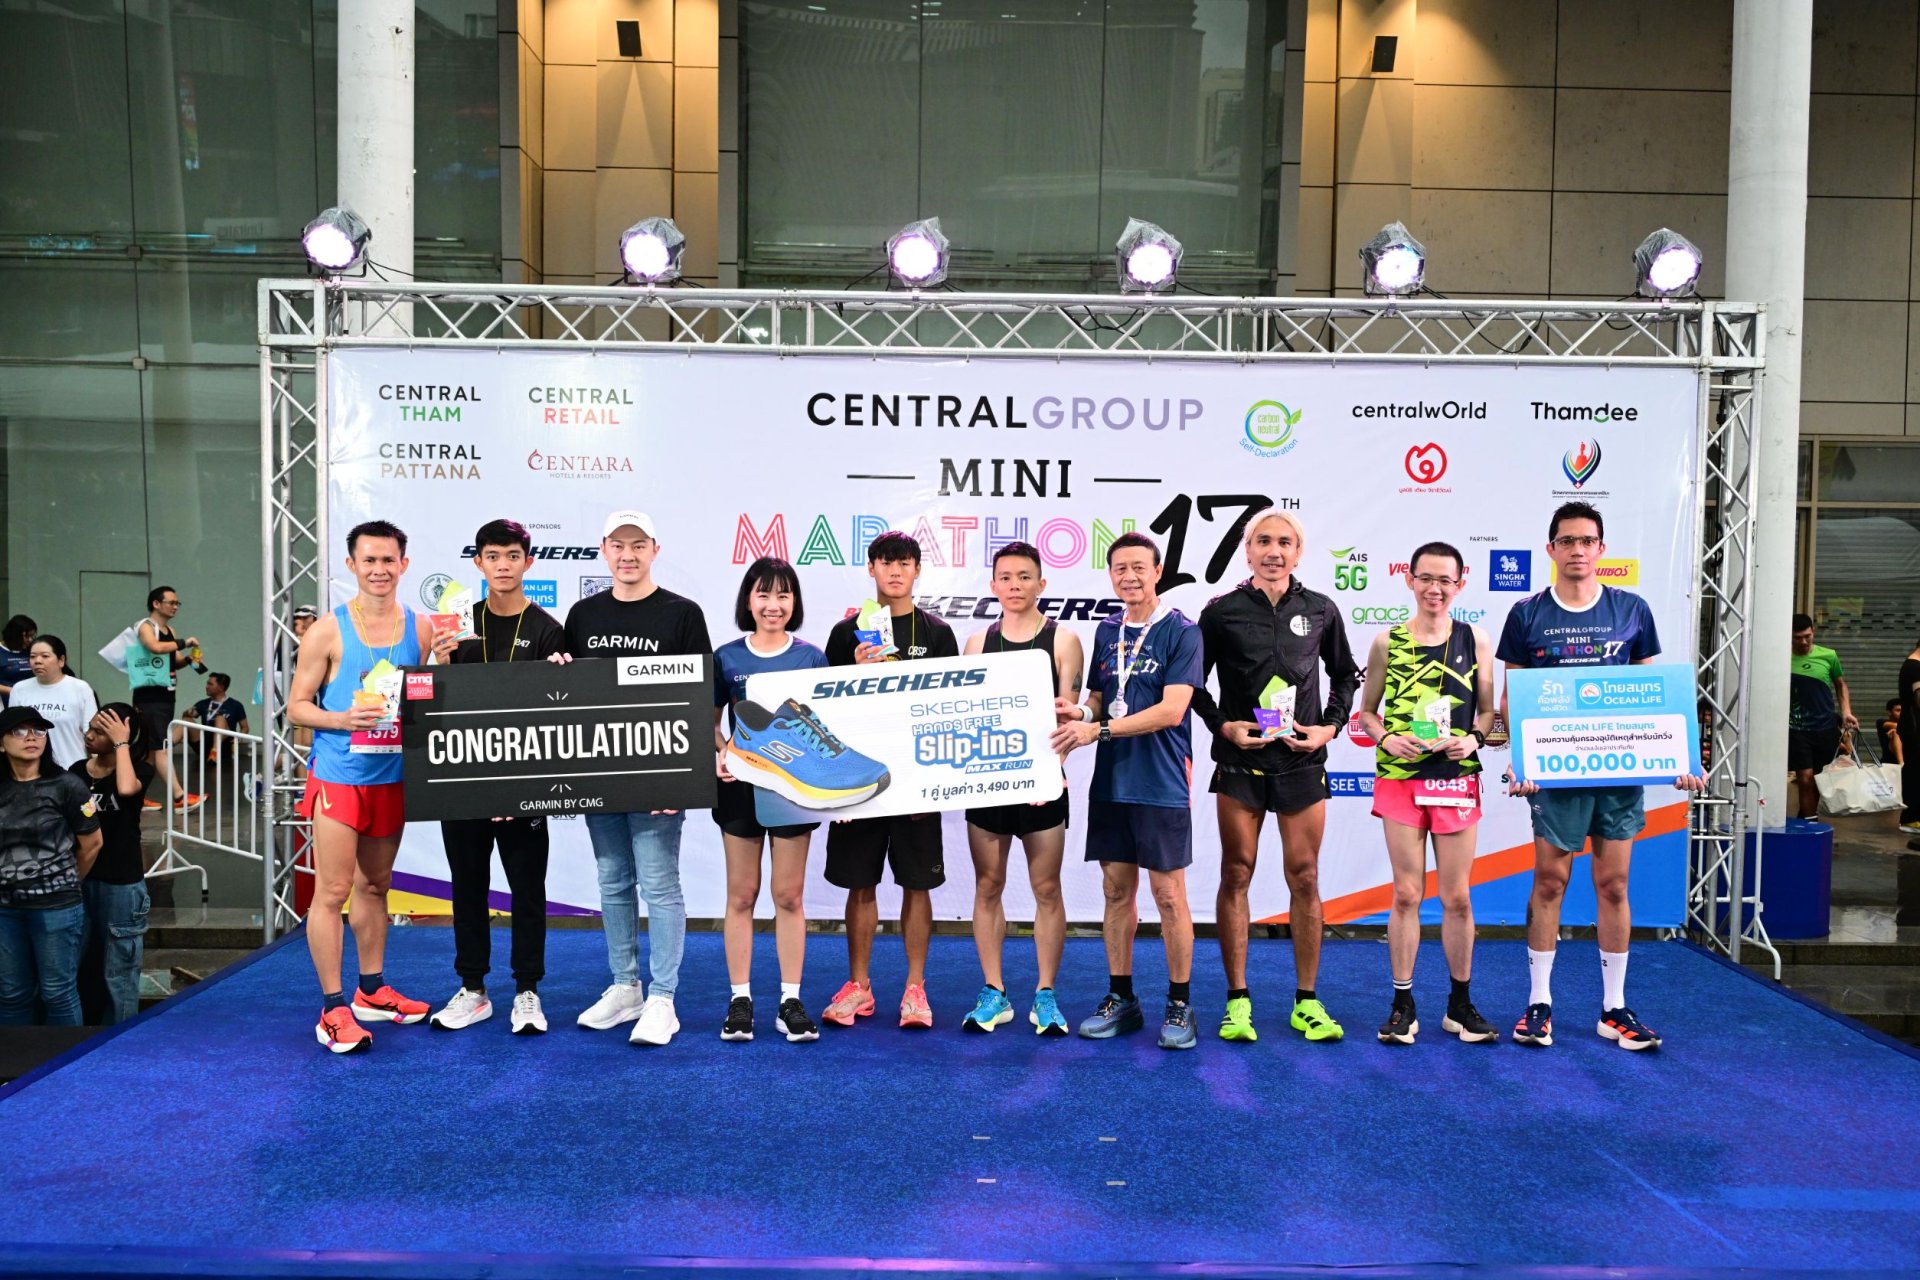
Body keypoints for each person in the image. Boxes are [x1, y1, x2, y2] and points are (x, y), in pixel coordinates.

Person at [1499, 501, 1707, 1052]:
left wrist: (1680, 758)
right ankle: (1539, 1003)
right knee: (1550, 882)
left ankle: (1614, 1008)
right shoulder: (1526, 614)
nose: (1577, 550)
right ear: (1551, 549)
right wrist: (1521, 758)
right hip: (1555, 774)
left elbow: (1650, 696)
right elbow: (1513, 697)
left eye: (1587, 541)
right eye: (1567, 541)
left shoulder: (1631, 609)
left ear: (1601, 549)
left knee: (1613, 884)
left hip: (1616, 773)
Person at [287, 519, 456, 1053]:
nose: (379, 570)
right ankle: (332, 1008)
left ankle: (371, 989)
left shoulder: (422, 629)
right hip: (340, 777)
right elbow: (296, 707)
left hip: (392, 777)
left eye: (388, 560)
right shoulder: (327, 631)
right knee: (332, 891)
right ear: (351, 565)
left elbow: (430, 700)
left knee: (376, 886)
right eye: (369, 560)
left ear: (403, 564)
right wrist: (341, 720)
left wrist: (446, 664)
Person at [1191, 509, 1359, 1044]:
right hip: (1240, 764)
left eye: (1285, 542)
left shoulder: (1321, 608)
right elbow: (1193, 685)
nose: (1274, 551)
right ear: (1247, 550)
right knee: (1236, 873)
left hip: (1301, 764)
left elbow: (1345, 676)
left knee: (1305, 876)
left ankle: (1306, 1002)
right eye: (1263, 541)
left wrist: (1329, 728)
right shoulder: (1220, 612)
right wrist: (1224, 727)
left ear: (1298, 552)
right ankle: (1237, 1001)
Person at [560, 510, 713, 1047]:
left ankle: (663, 998)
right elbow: (568, 696)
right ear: (604, 549)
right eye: (619, 545)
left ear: (654, 550)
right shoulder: (582, 615)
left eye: (638, 545)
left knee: (659, 882)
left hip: (657, 781)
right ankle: (626, 986)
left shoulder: (682, 614)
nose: (628, 555)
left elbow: (699, 700)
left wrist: (682, 779)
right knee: (612, 881)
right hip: (599, 773)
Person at [1052, 531, 1204, 1051]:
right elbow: (1100, 697)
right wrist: (1081, 712)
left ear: (1158, 572)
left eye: (1140, 567)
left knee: (1168, 895)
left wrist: (1098, 730)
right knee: (1116, 892)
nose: (1130, 576)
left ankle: (1180, 1004)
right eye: (1120, 568)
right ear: (1111, 575)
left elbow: (1172, 710)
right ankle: (1122, 998)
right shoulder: (1107, 630)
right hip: (1112, 781)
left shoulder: (1182, 631)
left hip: (1161, 781)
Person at [429, 520, 569, 1037]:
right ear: (478, 562)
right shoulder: (456, 624)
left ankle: (528, 991)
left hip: (525, 786)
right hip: (464, 781)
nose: (503, 565)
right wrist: (439, 660)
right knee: (467, 888)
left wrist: (563, 674)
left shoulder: (549, 629)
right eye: (493, 556)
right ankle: (473, 989)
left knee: (528, 891)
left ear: (528, 562)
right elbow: (433, 701)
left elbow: (559, 714)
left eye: (513, 556)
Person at [1355, 542, 1499, 1045]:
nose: (1435, 589)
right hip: (1401, 778)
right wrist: (1386, 739)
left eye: (1445, 580)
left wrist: (1474, 738)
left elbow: (1488, 713)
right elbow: (1367, 713)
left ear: (1461, 583)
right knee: (1406, 894)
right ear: (1409, 579)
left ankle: (1460, 1005)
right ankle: (1403, 1004)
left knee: (1457, 897)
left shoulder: (1476, 639)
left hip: (1455, 779)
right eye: (1426, 578)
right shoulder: (1387, 641)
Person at [818, 531, 957, 1031]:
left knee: (917, 884)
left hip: (916, 780)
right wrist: (852, 674)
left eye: (904, 563)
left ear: (917, 570)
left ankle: (915, 988)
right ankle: (859, 985)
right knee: (860, 881)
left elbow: (949, 710)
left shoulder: (937, 633)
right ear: (871, 569)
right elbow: (824, 712)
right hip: (859, 778)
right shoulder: (846, 632)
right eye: (885, 562)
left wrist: (932, 781)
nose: (895, 571)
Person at [961, 541, 1084, 1035]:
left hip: (1041, 786)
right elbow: (965, 720)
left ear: (1041, 583)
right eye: (1006, 577)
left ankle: (1045, 994)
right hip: (988, 787)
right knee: (988, 885)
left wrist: (1049, 768)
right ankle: (994, 991)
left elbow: (1067, 717)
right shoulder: (976, 644)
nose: (1015, 585)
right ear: (993, 585)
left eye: (1025, 576)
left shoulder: (1063, 640)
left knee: (1046, 887)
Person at [711, 556, 827, 1043]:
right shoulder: (726, 657)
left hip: (794, 789)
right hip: (740, 787)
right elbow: (709, 717)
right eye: (763, 594)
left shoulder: (812, 658)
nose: (773, 605)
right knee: (741, 895)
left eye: (783, 594)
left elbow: (826, 728)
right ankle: (740, 1000)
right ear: (748, 601)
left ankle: (790, 1000)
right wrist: (722, 752)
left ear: (794, 602)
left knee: (788, 896)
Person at [0, 705, 103, 1026]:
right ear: (1, 743)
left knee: (58, 992)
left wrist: (65, 882)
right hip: (4, 909)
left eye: (39, 731)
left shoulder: (67, 785)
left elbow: (92, 843)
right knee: (11, 994)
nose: (31, 737)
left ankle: (66, 1059)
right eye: (19, 731)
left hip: (56, 907)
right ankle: (15, 1060)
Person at [73, 705, 155, 1025]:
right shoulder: (77, 771)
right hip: (83, 877)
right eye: (90, 728)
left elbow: (125, 789)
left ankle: (118, 1040)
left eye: (100, 731)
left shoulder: (139, 770)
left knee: (118, 972)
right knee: (80, 966)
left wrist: (122, 743)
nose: (89, 735)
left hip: (121, 884)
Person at [127, 585, 203, 812]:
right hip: (149, 697)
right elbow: (154, 647)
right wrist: (184, 642)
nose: (175, 607)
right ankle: (180, 797)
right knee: (161, 747)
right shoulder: (145, 626)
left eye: (177, 603)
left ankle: (136, 797)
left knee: (151, 752)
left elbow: (174, 660)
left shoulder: (169, 630)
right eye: (171, 602)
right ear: (156, 604)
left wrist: (189, 659)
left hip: (166, 695)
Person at [1788, 614, 1857, 820]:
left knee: (1819, 780)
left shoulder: (1828, 655)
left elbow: (1840, 685)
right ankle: (1811, 825)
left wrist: (1846, 712)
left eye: (1807, 636)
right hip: (1796, 728)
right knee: (1805, 779)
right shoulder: (1782, 657)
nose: (1803, 642)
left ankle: (1806, 817)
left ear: (1813, 632)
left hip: (1825, 727)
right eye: (1798, 637)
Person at [10, 637, 98, 769]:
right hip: (32, 771)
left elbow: (92, 734)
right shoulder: (19, 689)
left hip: (73, 768)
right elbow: (13, 733)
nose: (37, 661)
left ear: (61, 660)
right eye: (33, 657)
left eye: (45, 656)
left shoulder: (80, 688)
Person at [1900, 640, 1920, 846]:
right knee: (1915, 771)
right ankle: (1912, 818)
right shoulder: (1915, 667)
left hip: (1912, 727)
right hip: (1915, 729)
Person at [0, 614, 37, 703]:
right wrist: (13, 691)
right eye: (26, 636)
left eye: (32, 636)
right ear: (13, 635)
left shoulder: (34, 649)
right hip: (6, 701)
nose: (30, 640)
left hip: (33, 699)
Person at [1877, 699, 1903, 768]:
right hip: (1889, 761)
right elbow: (1895, 726)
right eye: (1898, 710)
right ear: (1889, 712)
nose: (1901, 713)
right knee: (1896, 733)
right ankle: (1901, 765)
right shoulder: (1881, 722)